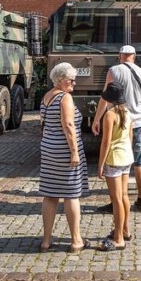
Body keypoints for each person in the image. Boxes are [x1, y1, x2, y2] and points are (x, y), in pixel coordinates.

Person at [92, 45, 141, 213]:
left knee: (116, 160)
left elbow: (106, 96)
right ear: (134, 56)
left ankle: (116, 201)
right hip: (137, 122)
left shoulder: (114, 71)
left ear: (120, 55)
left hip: (117, 119)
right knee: (139, 162)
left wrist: (97, 119)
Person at [39, 62, 90, 253]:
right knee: (71, 194)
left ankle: (46, 241)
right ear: (60, 80)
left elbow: (43, 124)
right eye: (70, 80)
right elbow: (68, 125)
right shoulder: (65, 98)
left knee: (50, 194)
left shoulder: (47, 96)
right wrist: (74, 152)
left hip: (48, 149)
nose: (74, 83)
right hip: (64, 151)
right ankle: (76, 240)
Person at [97, 81, 133, 251]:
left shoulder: (110, 115)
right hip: (126, 157)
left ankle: (118, 238)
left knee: (116, 199)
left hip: (114, 158)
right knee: (124, 196)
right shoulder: (128, 112)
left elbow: (106, 142)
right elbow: (130, 137)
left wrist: (100, 164)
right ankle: (125, 230)